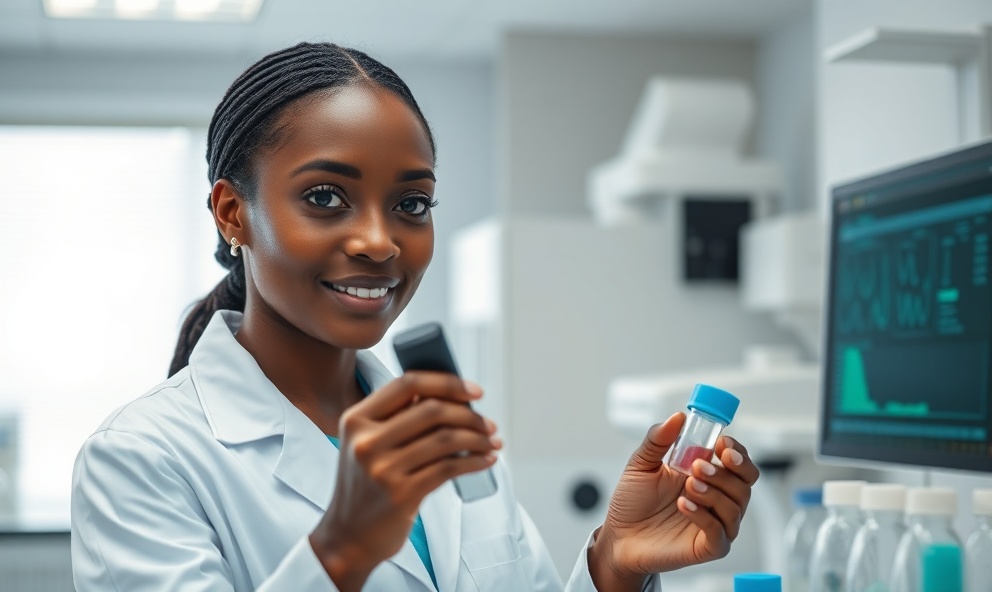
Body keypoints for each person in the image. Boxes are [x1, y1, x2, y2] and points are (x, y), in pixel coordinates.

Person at [70, 42, 760, 592]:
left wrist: (617, 562)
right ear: (232, 214)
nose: (379, 241)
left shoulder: (444, 434)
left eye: (411, 204)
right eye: (325, 197)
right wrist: (341, 549)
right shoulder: (140, 459)